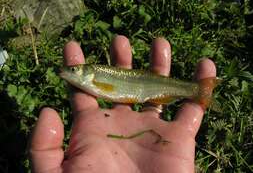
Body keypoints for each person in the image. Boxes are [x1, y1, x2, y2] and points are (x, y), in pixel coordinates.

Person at [29, 36, 216, 173]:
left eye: (74, 70)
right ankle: (197, 91)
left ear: (87, 73)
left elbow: (107, 89)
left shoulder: (95, 77)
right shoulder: (90, 78)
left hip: (145, 90)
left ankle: (198, 91)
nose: (69, 72)